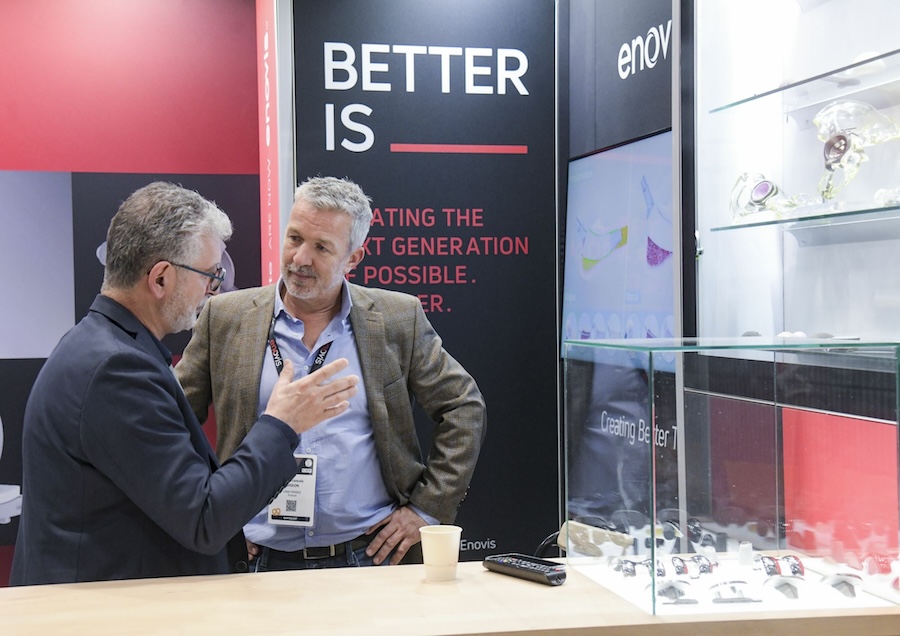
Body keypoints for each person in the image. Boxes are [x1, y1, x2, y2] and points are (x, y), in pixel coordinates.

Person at [10, 182, 359, 585]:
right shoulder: (117, 370)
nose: (212, 290)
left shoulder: (103, 347)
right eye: (210, 275)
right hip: (106, 607)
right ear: (161, 278)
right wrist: (281, 424)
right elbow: (204, 518)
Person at [176, 176, 486, 571]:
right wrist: (212, 513)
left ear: (354, 258)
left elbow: (463, 406)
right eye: (294, 238)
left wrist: (427, 508)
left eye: (322, 247)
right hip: (257, 560)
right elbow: (173, 420)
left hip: (368, 558)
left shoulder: (396, 319)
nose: (301, 258)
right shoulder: (225, 317)